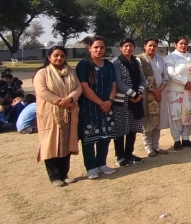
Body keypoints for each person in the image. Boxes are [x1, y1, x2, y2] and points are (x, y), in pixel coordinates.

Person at [33, 46, 82, 186]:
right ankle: (54, 177)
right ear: (49, 57)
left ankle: (64, 174)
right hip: (51, 114)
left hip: (68, 112)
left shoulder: (70, 72)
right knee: (51, 143)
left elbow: (78, 87)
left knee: (66, 143)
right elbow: (42, 91)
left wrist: (70, 99)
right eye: (56, 55)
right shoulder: (42, 73)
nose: (59, 58)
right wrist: (60, 101)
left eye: (62, 55)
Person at [76, 36, 118, 179]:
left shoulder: (108, 64)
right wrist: (101, 103)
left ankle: (102, 164)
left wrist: (110, 101)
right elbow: (84, 87)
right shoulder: (83, 65)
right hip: (90, 107)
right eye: (96, 47)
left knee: (105, 136)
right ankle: (91, 167)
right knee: (89, 138)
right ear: (89, 48)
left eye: (102, 47)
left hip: (107, 106)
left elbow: (113, 84)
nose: (99, 50)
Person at [112, 38, 147, 167]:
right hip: (122, 99)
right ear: (120, 48)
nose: (128, 48)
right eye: (125, 46)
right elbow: (118, 82)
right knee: (121, 128)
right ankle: (120, 156)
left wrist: (139, 92)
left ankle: (129, 154)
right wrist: (133, 94)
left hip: (135, 100)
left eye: (131, 46)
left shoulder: (135, 62)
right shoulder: (116, 62)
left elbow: (143, 79)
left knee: (133, 127)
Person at [165, 37, 191, 150]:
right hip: (176, 91)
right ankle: (176, 140)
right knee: (176, 115)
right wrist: (185, 82)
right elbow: (171, 73)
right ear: (175, 44)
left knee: (189, 113)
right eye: (181, 43)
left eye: (185, 44)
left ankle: (186, 138)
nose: (183, 46)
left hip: (190, 90)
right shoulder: (171, 57)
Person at [136, 38, 169, 157]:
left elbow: (166, 76)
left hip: (160, 94)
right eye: (150, 45)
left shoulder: (160, 59)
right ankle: (148, 147)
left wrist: (160, 90)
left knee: (157, 120)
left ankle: (156, 145)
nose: (152, 48)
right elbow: (140, 77)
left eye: (154, 46)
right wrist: (153, 90)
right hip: (146, 94)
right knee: (147, 120)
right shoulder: (139, 59)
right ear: (145, 46)